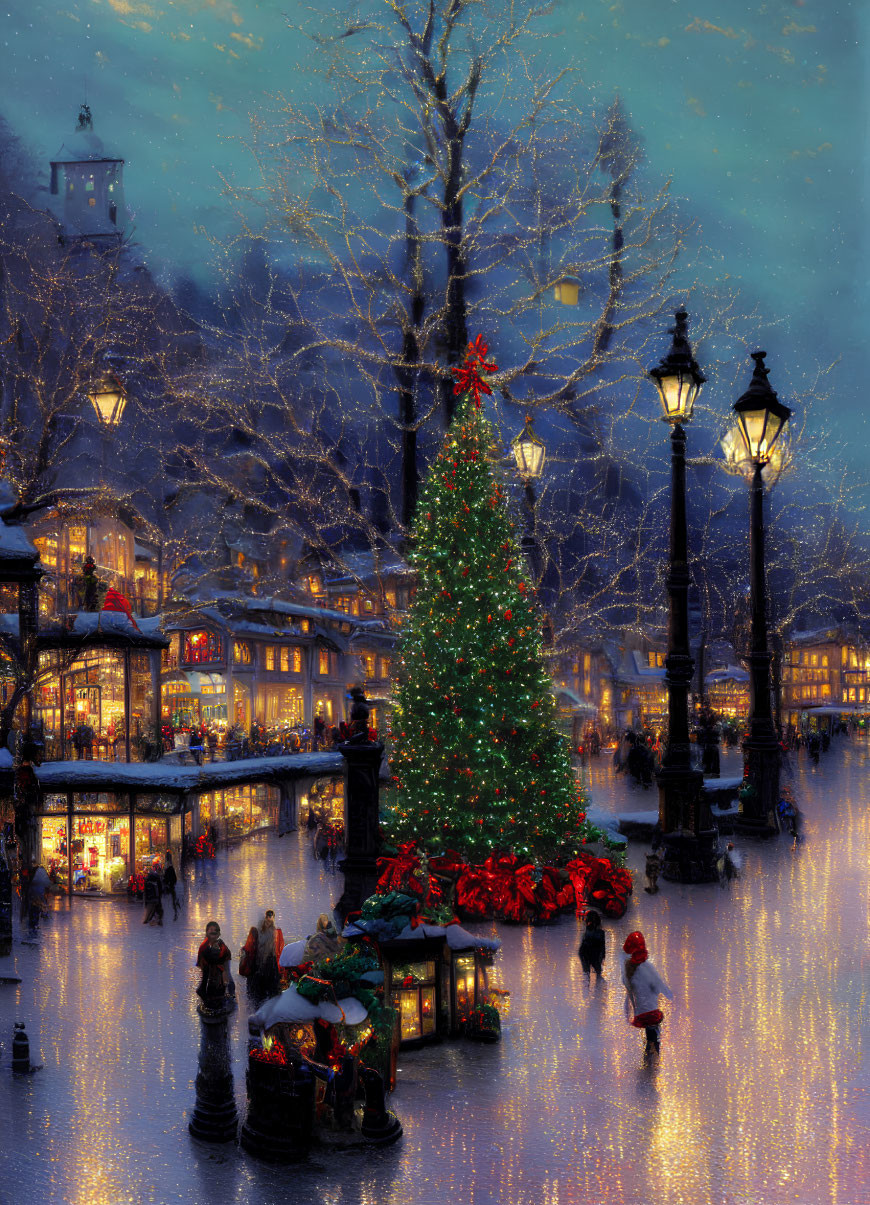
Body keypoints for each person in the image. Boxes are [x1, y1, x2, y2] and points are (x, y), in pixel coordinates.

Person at [621, 931, 673, 1054]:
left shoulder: (628, 971)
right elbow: (658, 984)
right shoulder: (647, 967)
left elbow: (628, 992)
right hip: (652, 1012)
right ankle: (654, 1051)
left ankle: (649, 1050)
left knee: (650, 1032)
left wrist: (627, 1012)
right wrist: (670, 995)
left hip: (640, 1014)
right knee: (655, 1032)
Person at [239, 910, 285, 1005]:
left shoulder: (276, 932)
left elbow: (279, 950)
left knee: (270, 991)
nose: (269, 919)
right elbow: (250, 948)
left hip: (270, 964)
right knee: (257, 994)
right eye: (267, 917)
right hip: (258, 965)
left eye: (271, 918)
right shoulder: (256, 931)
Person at [196, 921, 234, 1007]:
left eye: (215, 930)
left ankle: (227, 996)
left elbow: (225, 956)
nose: (213, 932)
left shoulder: (220, 944)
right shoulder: (205, 945)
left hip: (219, 968)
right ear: (207, 932)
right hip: (212, 969)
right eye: (211, 930)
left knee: (224, 981)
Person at [578, 909, 606, 979]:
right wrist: (602, 956)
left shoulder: (587, 931)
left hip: (585, 953)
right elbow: (602, 946)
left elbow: (583, 943)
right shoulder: (601, 933)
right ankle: (598, 986)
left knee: (586, 973)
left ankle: (586, 987)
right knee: (598, 972)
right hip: (594, 953)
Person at [142, 859, 164, 926]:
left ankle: (149, 921)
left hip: (151, 899)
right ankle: (155, 921)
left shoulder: (149, 883)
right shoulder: (156, 883)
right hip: (155, 899)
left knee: (152, 911)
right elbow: (160, 890)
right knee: (156, 910)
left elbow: (146, 892)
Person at [163, 849, 180, 919]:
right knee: (172, 899)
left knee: (169, 899)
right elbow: (174, 879)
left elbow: (172, 878)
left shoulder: (168, 869)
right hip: (170, 886)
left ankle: (174, 913)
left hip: (169, 886)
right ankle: (174, 912)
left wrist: (167, 882)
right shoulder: (170, 869)